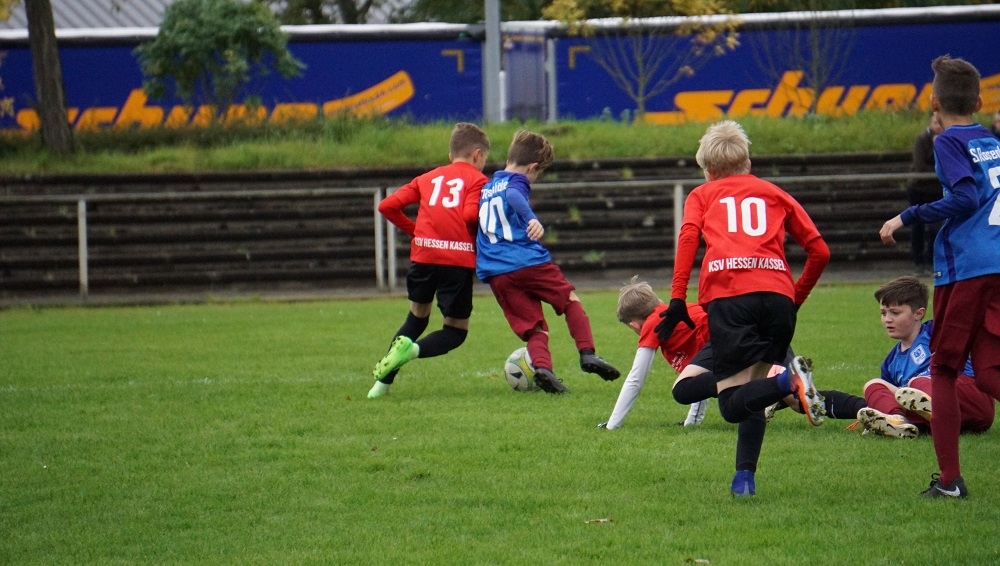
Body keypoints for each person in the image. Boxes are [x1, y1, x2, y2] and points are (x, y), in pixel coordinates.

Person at [657, 120, 831, 496]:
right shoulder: (775, 192)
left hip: (731, 299)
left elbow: (688, 238)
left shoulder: (702, 194)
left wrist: (677, 297)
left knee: (733, 405)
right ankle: (744, 479)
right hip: (777, 299)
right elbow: (820, 251)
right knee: (754, 388)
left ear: (707, 170)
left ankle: (788, 382)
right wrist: (794, 300)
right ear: (748, 163)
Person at [879, 55, 1000, 498]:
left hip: (966, 267)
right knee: (987, 371)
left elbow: (965, 197)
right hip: (997, 263)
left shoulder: (948, 140)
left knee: (944, 369)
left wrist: (906, 216)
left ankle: (950, 482)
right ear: (979, 102)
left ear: (933, 103)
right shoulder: (989, 139)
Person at [600, 277, 852, 430]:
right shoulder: (681, 316)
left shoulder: (655, 323)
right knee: (800, 401)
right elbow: (701, 369)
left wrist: (612, 425)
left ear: (634, 325)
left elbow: (635, 378)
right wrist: (691, 423)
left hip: (737, 338)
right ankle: (865, 408)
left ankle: (775, 377)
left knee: (684, 390)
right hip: (762, 327)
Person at [476, 130, 620, 394]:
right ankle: (587, 353)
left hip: (497, 273)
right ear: (532, 167)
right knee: (569, 300)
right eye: (537, 173)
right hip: (527, 261)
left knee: (535, 328)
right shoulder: (517, 181)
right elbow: (514, 195)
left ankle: (543, 370)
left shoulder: (487, 187)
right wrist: (531, 217)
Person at [368, 122, 490, 398]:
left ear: (450, 155)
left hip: (423, 256)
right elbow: (470, 215)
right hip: (456, 260)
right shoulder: (478, 180)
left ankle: (381, 386)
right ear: (477, 155)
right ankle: (412, 351)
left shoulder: (428, 178)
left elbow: (387, 206)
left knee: (416, 318)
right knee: (456, 330)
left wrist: (417, 232)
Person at [854, 276, 994, 439]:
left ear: (918, 313)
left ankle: (938, 409)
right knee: (873, 385)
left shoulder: (936, 332)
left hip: (971, 402)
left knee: (918, 382)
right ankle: (897, 422)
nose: (887, 319)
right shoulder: (890, 363)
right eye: (883, 313)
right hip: (936, 418)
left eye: (895, 313)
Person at [906, 112, 944, 275]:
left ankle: (931, 261)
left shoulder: (947, 140)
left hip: (936, 190)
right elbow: (919, 166)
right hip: (919, 189)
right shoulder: (922, 139)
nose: (938, 127)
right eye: (935, 123)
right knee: (918, 226)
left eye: (940, 123)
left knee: (937, 228)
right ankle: (918, 262)